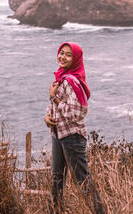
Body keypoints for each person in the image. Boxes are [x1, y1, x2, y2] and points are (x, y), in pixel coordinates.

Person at [44, 42, 104, 214]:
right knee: (56, 178)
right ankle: (54, 211)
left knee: (82, 180)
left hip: (72, 136)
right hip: (58, 133)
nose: (62, 57)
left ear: (76, 59)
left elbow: (78, 113)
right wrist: (47, 116)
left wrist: (54, 98)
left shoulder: (73, 82)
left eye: (68, 55)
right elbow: (54, 105)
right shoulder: (61, 78)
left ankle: (98, 211)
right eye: (61, 53)